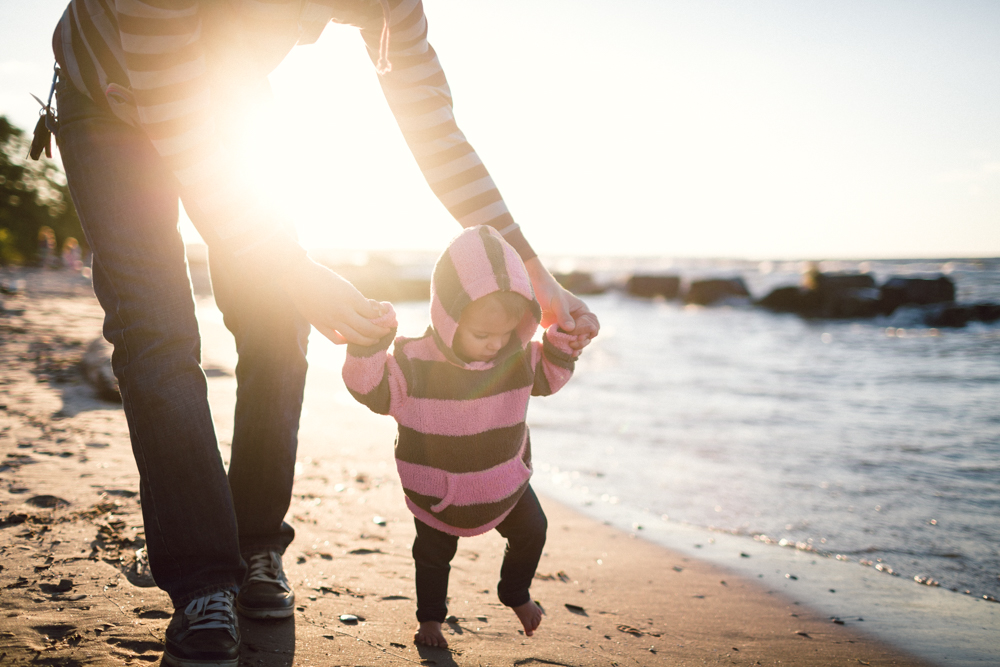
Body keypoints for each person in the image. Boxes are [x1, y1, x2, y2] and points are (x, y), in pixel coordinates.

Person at [45, 2, 598, 665]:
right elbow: (172, 109)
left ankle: (254, 546)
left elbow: (435, 130)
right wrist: (294, 268)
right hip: (112, 97)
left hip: (228, 96)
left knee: (278, 320)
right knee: (158, 332)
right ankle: (202, 579)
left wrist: (536, 276)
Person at [342, 225, 578, 647]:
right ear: (448, 318)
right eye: (481, 335)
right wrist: (368, 346)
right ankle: (430, 620)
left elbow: (551, 375)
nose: (494, 345)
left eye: (505, 334)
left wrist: (564, 341)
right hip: (438, 489)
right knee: (432, 558)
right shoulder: (414, 363)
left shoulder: (516, 359)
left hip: (502, 481)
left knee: (534, 529)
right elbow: (369, 389)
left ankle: (515, 592)